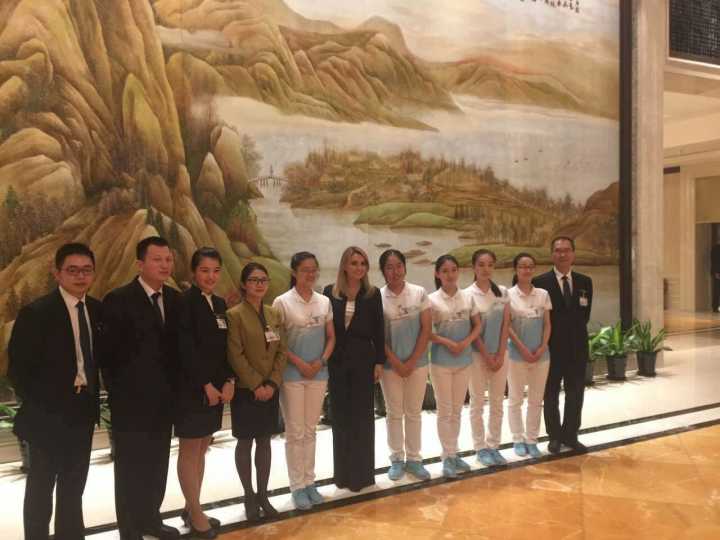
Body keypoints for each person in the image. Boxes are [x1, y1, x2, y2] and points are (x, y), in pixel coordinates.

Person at [8, 243, 101, 540]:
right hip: (47, 414)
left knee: (74, 485)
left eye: (86, 270)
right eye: (72, 270)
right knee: (41, 486)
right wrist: (45, 405)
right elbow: (18, 371)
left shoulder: (96, 309)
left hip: (83, 409)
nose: (80, 276)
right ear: (57, 273)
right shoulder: (37, 313)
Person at [101, 236, 181, 540]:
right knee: (130, 468)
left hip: (165, 402)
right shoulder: (118, 299)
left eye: (168, 259)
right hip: (130, 404)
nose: (164, 265)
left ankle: (151, 519)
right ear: (140, 264)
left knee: (157, 464)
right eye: (157, 259)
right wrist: (120, 397)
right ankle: (130, 529)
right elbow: (108, 357)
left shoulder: (175, 299)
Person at [176, 248, 235, 539]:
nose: (211, 276)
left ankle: (192, 507)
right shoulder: (184, 303)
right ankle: (196, 513)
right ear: (193, 272)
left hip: (216, 390)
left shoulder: (220, 303)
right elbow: (185, 349)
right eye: (204, 270)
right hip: (191, 390)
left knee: (202, 448)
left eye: (215, 271)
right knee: (190, 449)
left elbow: (224, 349)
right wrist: (205, 384)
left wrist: (228, 380)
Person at [272, 252, 335, 510]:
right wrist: (299, 363)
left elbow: (331, 337)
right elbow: (278, 341)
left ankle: (310, 482)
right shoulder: (282, 302)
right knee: (295, 431)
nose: (310, 274)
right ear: (294, 272)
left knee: (310, 430)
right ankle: (297, 486)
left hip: (318, 373)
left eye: (313, 269)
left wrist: (321, 361)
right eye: (305, 270)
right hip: (292, 376)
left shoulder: (324, 301)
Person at [226, 263, 286, 521]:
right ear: (244, 284)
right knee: (245, 441)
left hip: (270, 389)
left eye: (263, 280)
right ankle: (249, 495)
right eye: (254, 280)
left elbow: (282, 351)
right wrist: (256, 385)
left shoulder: (274, 314)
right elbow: (234, 354)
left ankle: (263, 494)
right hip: (246, 390)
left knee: (265, 440)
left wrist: (272, 383)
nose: (259, 284)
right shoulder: (234, 315)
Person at [323, 246, 385, 492]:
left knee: (362, 419)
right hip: (337, 362)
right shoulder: (330, 292)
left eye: (363, 263)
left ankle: (362, 476)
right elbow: (325, 330)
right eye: (354, 263)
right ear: (344, 266)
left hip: (363, 362)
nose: (359, 268)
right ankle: (343, 475)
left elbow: (379, 330)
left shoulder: (372, 294)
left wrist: (379, 361)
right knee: (340, 418)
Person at [533, 236, 593, 454]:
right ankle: (555, 437)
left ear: (573, 254)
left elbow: (585, 315)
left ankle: (571, 435)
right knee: (550, 394)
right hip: (551, 349)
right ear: (552, 254)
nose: (562, 254)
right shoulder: (540, 283)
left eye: (567, 250)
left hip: (577, 348)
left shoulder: (585, 281)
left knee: (575, 394)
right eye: (558, 250)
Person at [378, 249, 432, 482]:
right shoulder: (377, 297)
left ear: (405, 267)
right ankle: (397, 459)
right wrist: (396, 362)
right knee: (394, 413)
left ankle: (414, 459)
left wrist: (411, 361)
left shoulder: (419, 293)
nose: (395, 271)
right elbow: (377, 336)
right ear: (383, 271)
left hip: (417, 364)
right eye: (389, 267)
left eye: (398, 266)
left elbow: (426, 329)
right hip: (390, 367)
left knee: (413, 412)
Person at [428, 255, 482, 479]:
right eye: (445, 271)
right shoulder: (431, 300)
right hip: (441, 362)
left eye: (453, 270)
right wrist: (449, 343)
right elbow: (427, 332)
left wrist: (465, 342)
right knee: (445, 410)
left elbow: (477, 326)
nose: (450, 275)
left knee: (457, 410)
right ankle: (447, 457)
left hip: (464, 361)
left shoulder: (468, 297)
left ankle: (454, 453)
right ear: (437, 274)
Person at [464, 249, 511, 467]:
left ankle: (493, 446)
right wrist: (487, 356)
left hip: (501, 355)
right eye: (481, 264)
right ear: (474, 267)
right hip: (476, 356)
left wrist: (500, 353)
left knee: (497, 402)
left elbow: (506, 324)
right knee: (476, 403)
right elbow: (472, 330)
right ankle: (480, 447)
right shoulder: (467, 295)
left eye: (490, 264)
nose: (486, 269)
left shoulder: (503, 292)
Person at [507, 253, 552, 458]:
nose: (526, 270)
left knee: (536, 400)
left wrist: (543, 346)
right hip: (516, 355)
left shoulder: (542, 294)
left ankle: (532, 439)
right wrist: (523, 349)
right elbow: (507, 327)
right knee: (515, 399)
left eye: (530, 266)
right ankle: (518, 439)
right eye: (522, 266)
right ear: (516, 269)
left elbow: (547, 324)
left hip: (541, 356)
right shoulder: (508, 295)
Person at [711, 239, 720, 312]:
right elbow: (714, 261)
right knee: (717, 290)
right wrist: (716, 272)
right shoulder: (715, 249)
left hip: (717, 272)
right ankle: (715, 307)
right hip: (717, 272)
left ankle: (716, 306)